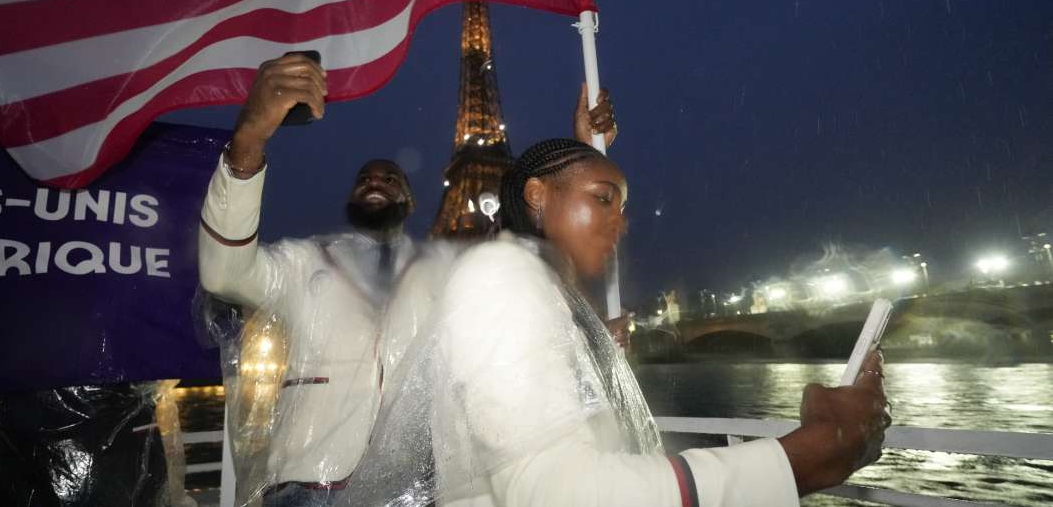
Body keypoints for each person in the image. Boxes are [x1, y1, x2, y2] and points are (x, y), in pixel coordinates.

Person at [339, 138, 890, 507]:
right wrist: (798, 459)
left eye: (623, 207)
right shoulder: (500, 274)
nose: (620, 223)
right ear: (535, 195)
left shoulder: (532, 286)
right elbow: (559, 493)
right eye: (603, 199)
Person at [198, 55, 619, 507]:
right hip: (306, 484)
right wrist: (249, 138)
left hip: (409, 486)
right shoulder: (303, 262)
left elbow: (526, 257)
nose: (376, 181)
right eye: (366, 177)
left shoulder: (442, 267)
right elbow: (225, 271)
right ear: (352, 196)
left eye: (390, 177)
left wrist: (581, 156)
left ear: (412, 199)